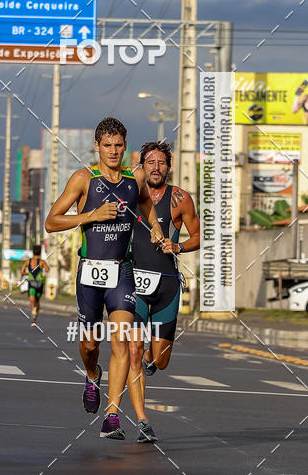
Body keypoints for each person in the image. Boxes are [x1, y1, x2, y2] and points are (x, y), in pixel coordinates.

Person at [45, 117, 164, 440]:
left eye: (118, 145)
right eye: (107, 145)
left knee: (122, 339)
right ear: (96, 146)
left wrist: (154, 226)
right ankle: (92, 373)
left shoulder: (133, 179)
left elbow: (145, 206)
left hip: (122, 271)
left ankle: (112, 415)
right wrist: (90, 216)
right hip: (90, 272)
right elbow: (51, 221)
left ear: (125, 147)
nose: (113, 151)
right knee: (89, 344)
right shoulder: (84, 179)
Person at [128, 141, 200, 443]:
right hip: (132, 282)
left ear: (169, 166)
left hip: (167, 284)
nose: (156, 168)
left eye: (161, 163)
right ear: (142, 164)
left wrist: (179, 246)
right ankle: (143, 421)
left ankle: (151, 360)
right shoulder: (130, 192)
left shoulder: (181, 198)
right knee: (133, 350)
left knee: (160, 360)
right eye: (150, 162)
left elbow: (197, 235)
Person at [21, 244, 49, 325]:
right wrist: (42, 270)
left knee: (32, 300)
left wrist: (28, 273)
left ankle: (34, 312)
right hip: (40, 284)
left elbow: (22, 272)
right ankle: (34, 315)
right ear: (40, 253)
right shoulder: (42, 262)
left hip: (32, 283)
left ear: (32, 252)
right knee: (37, 301)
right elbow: (47, 269)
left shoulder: (27, 262)